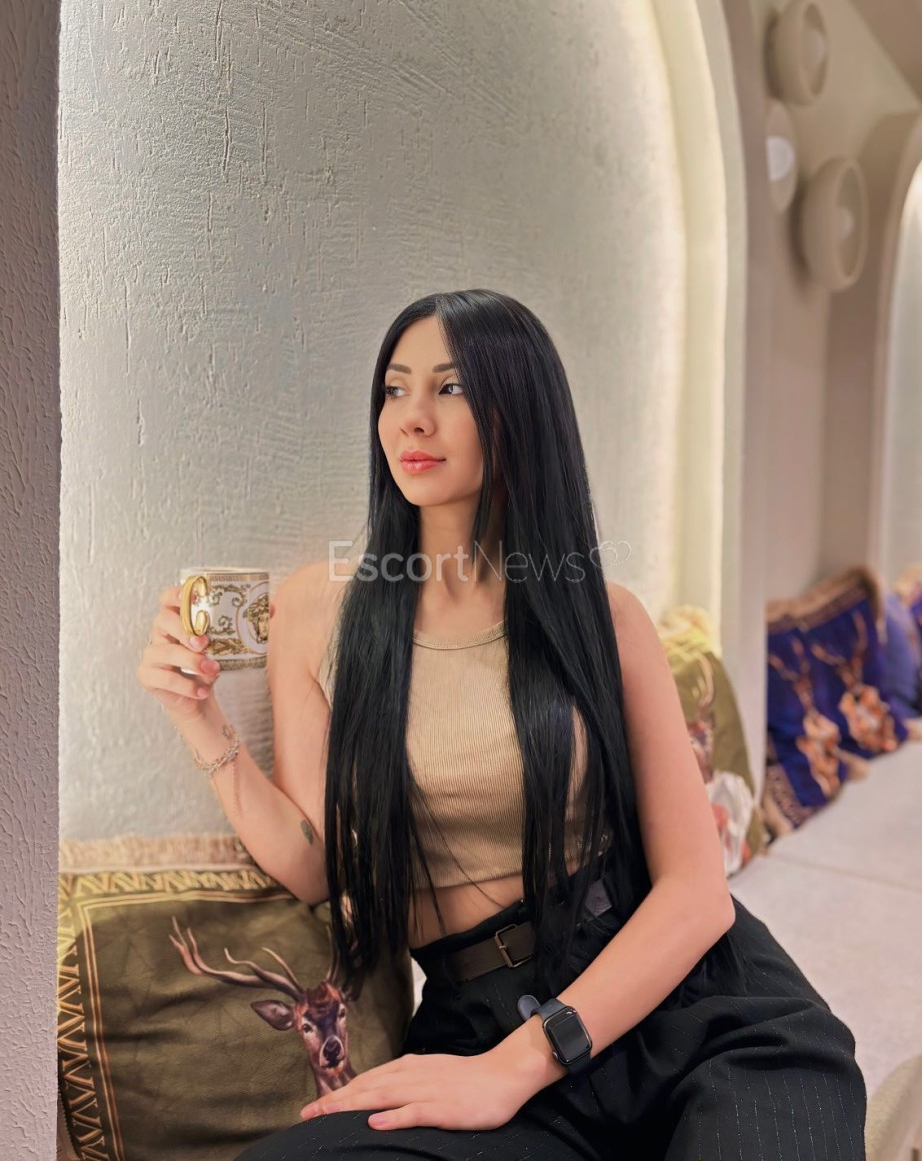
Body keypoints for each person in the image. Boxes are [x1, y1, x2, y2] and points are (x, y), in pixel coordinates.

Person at [138, 289, 868, 1159]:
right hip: (475, 1026)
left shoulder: (601, 616)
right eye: (394, 388)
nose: (412, 417)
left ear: (518, 412)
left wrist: (521, 1064)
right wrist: (198, 718)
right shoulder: (320, 613)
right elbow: (314, 863)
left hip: (687, 1007)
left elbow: (695, 893)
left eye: (449, 388)